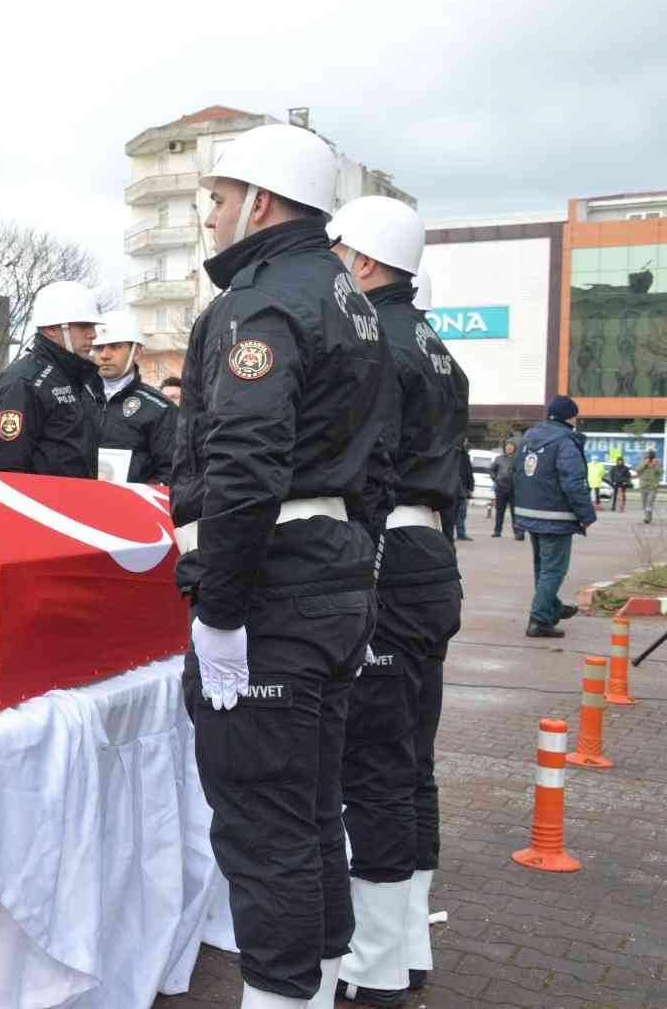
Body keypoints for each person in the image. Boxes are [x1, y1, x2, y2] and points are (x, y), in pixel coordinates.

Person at [173, 123, 387, 1007]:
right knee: (308, 814)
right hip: (332, 581)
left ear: (260, 202)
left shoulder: (263, 302)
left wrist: (222, 609)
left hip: (275, 593)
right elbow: (379, 454)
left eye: (220, 200)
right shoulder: (350, 297)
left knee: (267, 828)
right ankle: (323, 983)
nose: (213, 218)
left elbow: (249, 462)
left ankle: (286, 994)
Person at [327, 199, 468, 1005]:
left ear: (368, 263)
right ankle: (406, 940)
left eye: (339, 253)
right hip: (431, 553)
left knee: (375, 761)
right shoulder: (436, 346)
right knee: (412, 761)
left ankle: (374, 958)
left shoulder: (376, 339)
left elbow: (364, 461)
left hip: (386, 549)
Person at [0, 281, 103, 476]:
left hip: (74, 504)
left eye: (93, 325)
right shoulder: (23, 383)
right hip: (38, 505)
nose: (93, 334)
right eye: (83, 325)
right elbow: (4, 470)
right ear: (52, 328)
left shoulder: (81, 380)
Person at [512, 396, 595, 639]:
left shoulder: (529, 438)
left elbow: (518, 473)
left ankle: (551, 610)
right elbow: (574, 483)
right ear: (569, 417)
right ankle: (539, 620)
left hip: (530, 513)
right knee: (554, 570)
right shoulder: (565, 441)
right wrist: (585, 515)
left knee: (543, 568)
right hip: (555, 516)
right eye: (575, 416)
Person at [91, 310, 175, 483]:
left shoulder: (160, 409)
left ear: (136, 352)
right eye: (99, 347)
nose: (105, 355)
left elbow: (171, 471)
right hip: (72, 504)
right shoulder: (74, 398)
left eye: (115, 346)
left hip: (130, 507)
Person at [490, 440, 522, 539]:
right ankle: (497, 531)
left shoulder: (518, 459)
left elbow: (521, 473)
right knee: (500, 511)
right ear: (505, 448)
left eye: (511, 446)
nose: (509, 448)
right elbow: (492, 471)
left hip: (514, 489)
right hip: (500, 488)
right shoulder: (499, 459)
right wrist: (496, 479)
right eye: (508, 446)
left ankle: (517, 533)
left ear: (515, 448)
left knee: (515, 512)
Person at [454, 443, 474, 540]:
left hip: (463, 487)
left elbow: (469, 471)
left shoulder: (464, 454)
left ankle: (461, 533)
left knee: (462, 512)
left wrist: (470, 487)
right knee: (451, 512)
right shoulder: (450, 452)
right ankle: (449, 534)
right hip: (451, 486)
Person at [640, 450, 661, 524]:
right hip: (643, 486)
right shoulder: (643, 462)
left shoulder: (657, 463)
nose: (650, 458)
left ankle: (647, 518)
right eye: (649, 456)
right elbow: (638, 470)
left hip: (652, 487)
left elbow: (660, 472)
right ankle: (648, 516)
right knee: (644, 504)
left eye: (651, 456)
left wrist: (655, 465)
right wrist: (645, 464)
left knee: (649, 502)